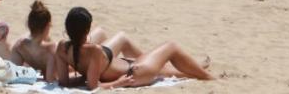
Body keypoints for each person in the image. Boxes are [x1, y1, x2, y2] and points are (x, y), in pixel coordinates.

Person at [52, 7, 213, 89]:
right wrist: (118, 84)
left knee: (161, 68)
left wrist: (81, 77)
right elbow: (93, 88)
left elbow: (64, 82)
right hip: (134, 73)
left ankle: (196, 67)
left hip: (126, 67)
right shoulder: (94, 50)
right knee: (171, 47)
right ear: (87, 30)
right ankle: (208, 77)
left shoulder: (62, 47)